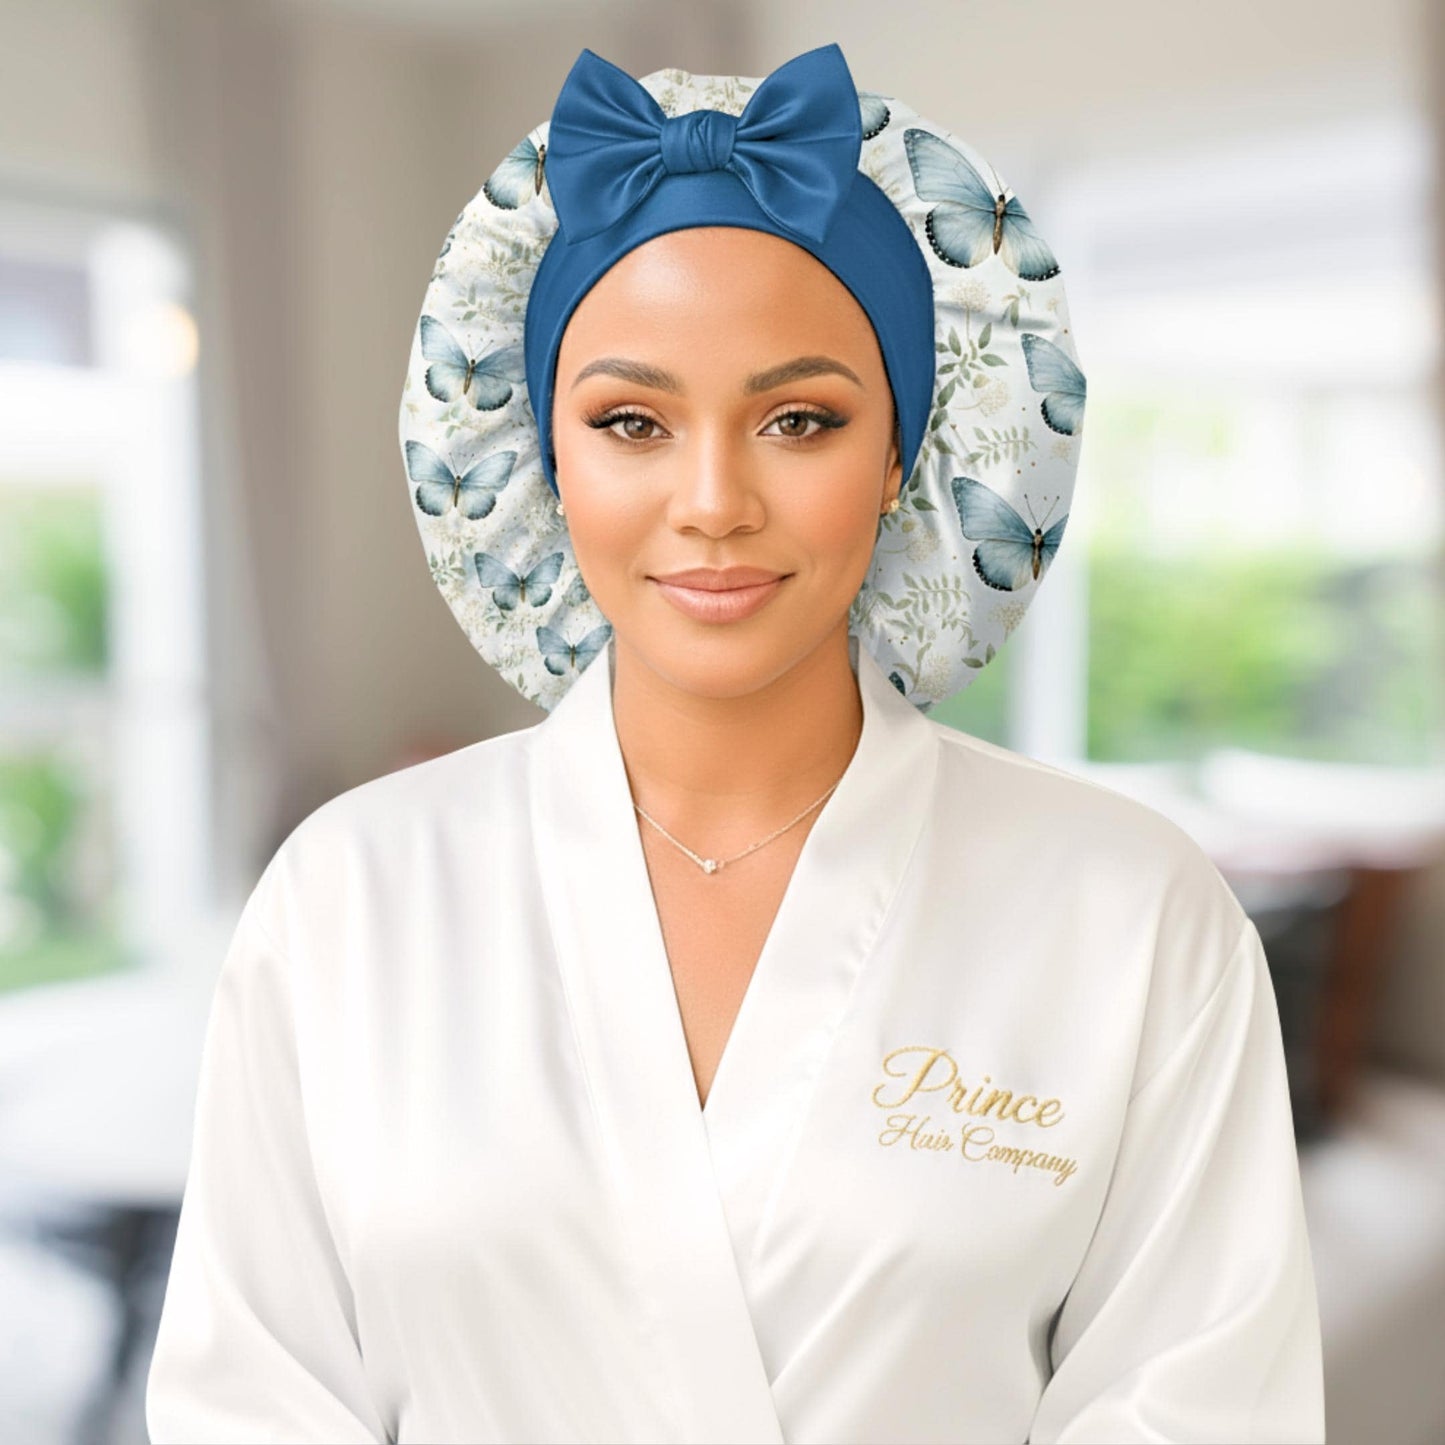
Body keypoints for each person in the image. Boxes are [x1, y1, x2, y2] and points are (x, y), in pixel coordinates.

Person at [146, 42, 1326, 1444]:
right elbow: (249, 1401)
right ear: (545, 454)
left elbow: (1203, 1406)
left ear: (901, 455)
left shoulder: (1131, 912)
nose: (712, 500)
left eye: (799, 420)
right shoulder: (346, 896)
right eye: (631, 421)